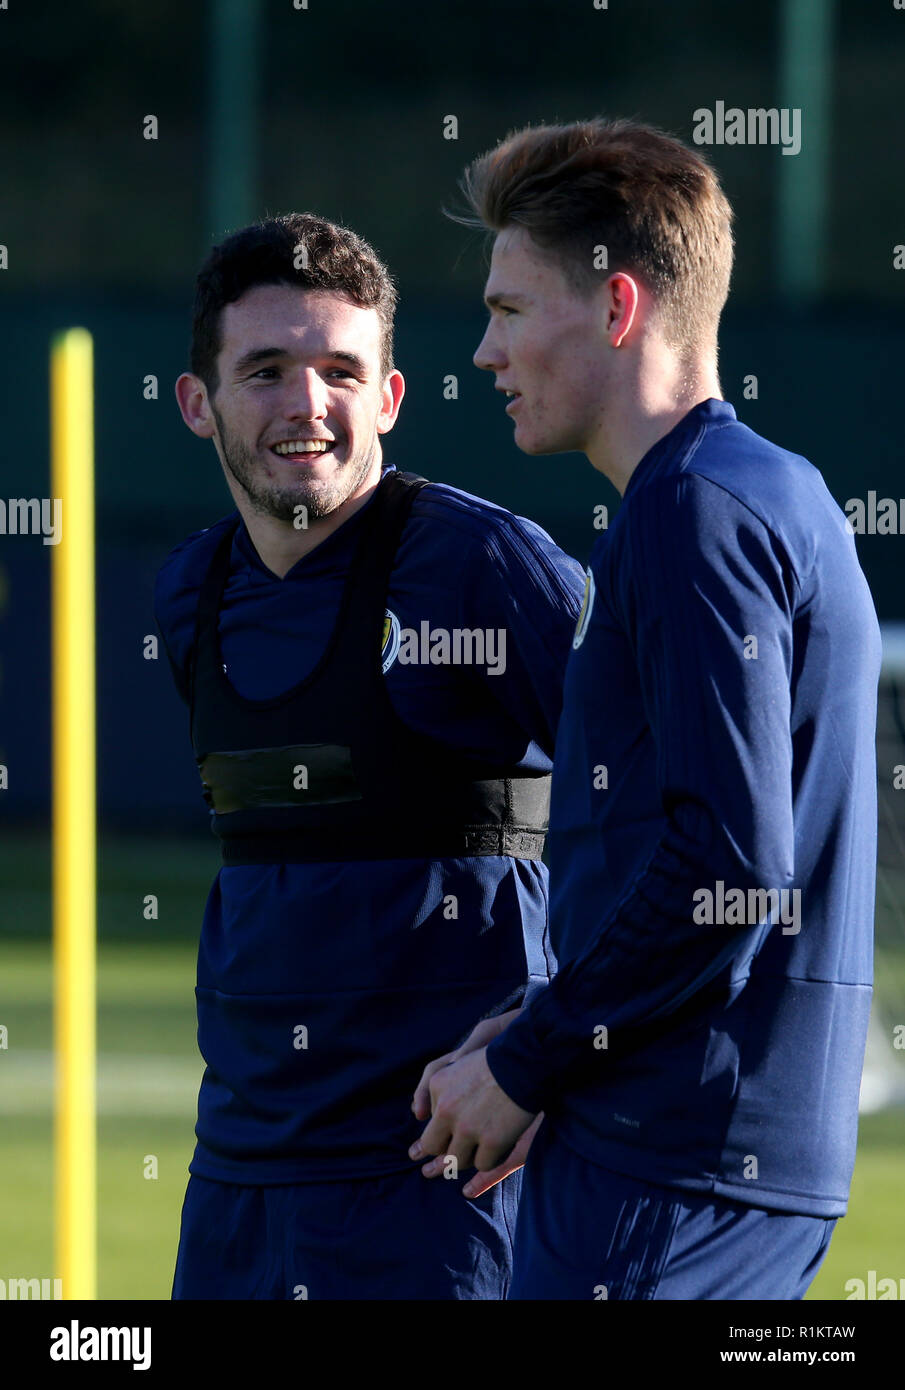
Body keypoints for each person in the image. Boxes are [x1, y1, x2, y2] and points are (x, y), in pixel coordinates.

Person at [411, 119, 882, 1300]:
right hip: (705, 1151)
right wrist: (552, 1017)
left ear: (616, 307)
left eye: (510, 309)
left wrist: (530, 1059)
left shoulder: (694, 514)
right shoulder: (763, 488)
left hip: (671, 1167)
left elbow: (728, 861)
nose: (484, 349)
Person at [154, 212, 585, 1300]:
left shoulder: (485, 566)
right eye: (266, 370)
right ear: (196, 402)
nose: (307, 405)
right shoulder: (190, 596)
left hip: (440, 1188)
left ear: (389, 398)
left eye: (340, 370)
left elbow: (661, 808)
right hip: (238, 1185)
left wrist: (545, 1039)